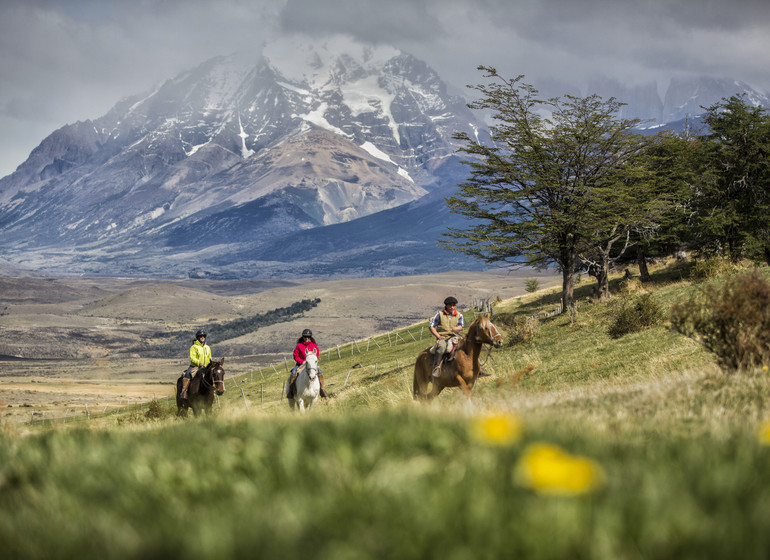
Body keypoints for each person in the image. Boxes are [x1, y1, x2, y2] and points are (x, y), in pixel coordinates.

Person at [286, 328, 328, 399]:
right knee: (293, 373)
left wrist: (313, 360)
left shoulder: (313, 345)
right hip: (301, 364)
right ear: (303, 337)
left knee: (320, 372)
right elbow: (295, 355)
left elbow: (317, 354)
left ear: (310, 338)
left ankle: (322, 389)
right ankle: (291, 391)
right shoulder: (299, 345)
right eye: (305, 337)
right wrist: (300, 361)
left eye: (308, 337)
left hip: (311, 365)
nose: (306, 339)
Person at [428, 296, 464, 377]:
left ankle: (477, 367)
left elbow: (461, 326)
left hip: (455, 336)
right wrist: (438, 336)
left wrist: (456, 328)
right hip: (443, 337)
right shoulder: (439, 315)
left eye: (453, 305)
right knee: (442, 347)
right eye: (450, 305)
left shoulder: (459, 315)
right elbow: (431, 326)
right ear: (446, 306)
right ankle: (437, 367)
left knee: (468, 345)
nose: (452, 307)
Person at [181, 329, 211, 400]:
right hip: (195, 366)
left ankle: (212, 395)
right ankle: (184, 392)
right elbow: (192, 358)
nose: (202, 337)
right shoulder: (193, 347)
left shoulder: (208, 347)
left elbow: (210, 357)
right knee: (187, 374)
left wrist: (210, 365)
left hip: (205, 367)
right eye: (201, 336)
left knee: (212, 377)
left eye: (203, 336)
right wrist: (199, 363)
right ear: (198, 337)